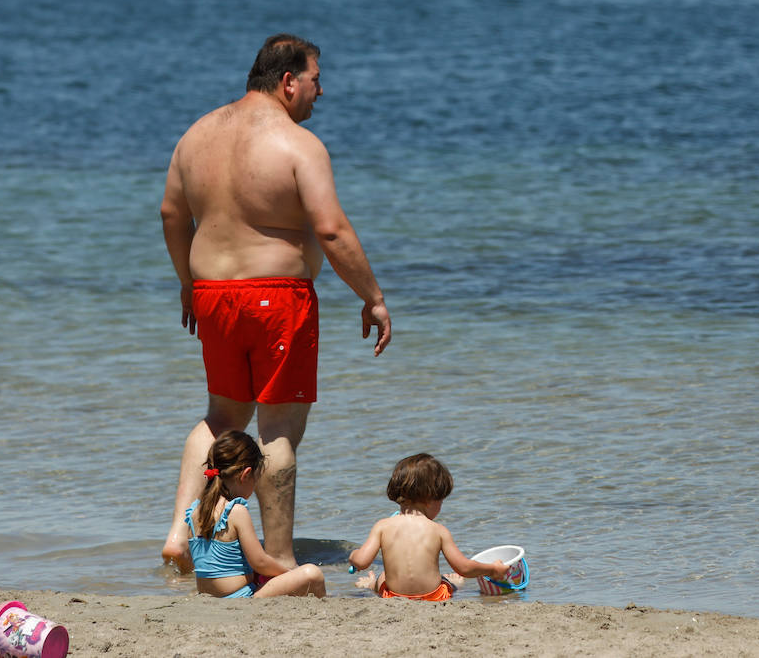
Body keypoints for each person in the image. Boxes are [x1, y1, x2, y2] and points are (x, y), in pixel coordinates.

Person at [160, 33, 392, 571]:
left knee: (220, 416)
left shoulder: (195, 136)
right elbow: (331, 232)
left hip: (213, 295)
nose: (320, 92)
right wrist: (373, 297)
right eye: (315, 80)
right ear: (288, 82)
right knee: (279, 428)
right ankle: (280, 557)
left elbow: (173, 216)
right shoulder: (297, 145)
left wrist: (188, 283)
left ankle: (179, 534)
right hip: (277, 299)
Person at [184, 429, 326, 598]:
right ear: (246, 475)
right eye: (256, 479)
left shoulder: (193, 512)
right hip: (241, 597)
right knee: (312, 574)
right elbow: (260, 562)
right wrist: (288, 573)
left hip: (208, 597)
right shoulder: (236, 511)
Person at [347, 454, 508, 601]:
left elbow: (361, 562)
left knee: (382, 577)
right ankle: (453, 583)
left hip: (394, 597)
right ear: (429, 499)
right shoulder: (438, 530)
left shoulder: (382, 526)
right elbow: (464, 568)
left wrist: (353, 555)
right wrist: (493, 569)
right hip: (434, 596)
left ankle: (370, 584)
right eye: (441, 501)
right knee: (445, 581)